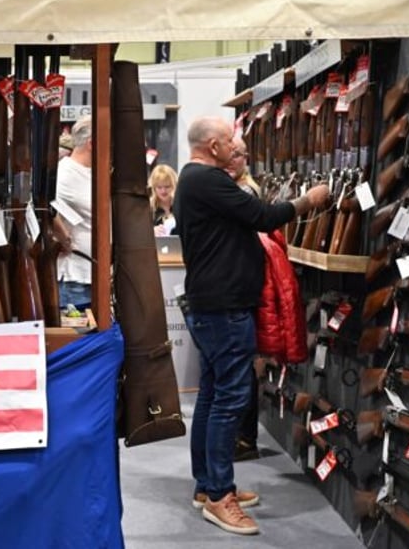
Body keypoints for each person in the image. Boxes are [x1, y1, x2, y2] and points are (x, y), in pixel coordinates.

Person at [173, 116, 329, 536]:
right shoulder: (207, 181)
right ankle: (219, 495)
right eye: (228, 140)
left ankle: (209, 486)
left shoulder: (195, 180)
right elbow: (264, 215)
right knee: (228, 400)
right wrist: (309, 200)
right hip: (224, 309)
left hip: (215, 306)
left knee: (213, 395)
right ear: (211, 145)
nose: (235, 145)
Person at [225, 136, 261, 462]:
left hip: (240, 293)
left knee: (240, 372)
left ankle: (245, 438)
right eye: (233, 153)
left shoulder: (244, 192)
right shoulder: (231, 189)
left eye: (240, 155)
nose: (235, 159)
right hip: (236, 291)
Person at [54, 117, 92, 309]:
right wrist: (63, 238)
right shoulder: (65, 173)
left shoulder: (95, 173)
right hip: (75, 279)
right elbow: (44, 208)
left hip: (93, 277)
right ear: (91, 143)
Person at [148, 163, 178, 236]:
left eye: (167, 187)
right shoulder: (148, 208)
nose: (163, 191)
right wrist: (151, 232)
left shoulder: (180, 206)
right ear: (154, 188)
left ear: (174, 185)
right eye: (159, 187)